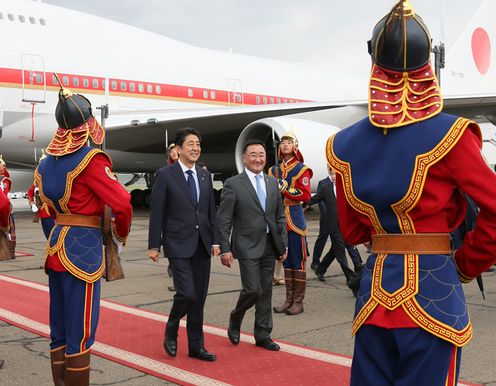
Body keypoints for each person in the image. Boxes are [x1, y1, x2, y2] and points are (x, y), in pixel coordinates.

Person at [326, 1, 496, 385]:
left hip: (373, 298)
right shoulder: (451, 135)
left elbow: (352, 234)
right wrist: (468, 263)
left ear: (373, 57)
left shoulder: (343, 145)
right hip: (435, 292)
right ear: (427, 60)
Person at [35, 83, 132, 386]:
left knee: (59, 328)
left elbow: (47, 209)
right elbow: (123, 204)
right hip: (83, 252)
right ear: (89, 123)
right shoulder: (91, 159)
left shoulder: (46, 163)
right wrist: (118, 236)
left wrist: (58, 233)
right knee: (82, 330)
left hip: (56, 248)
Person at [148, 128, 220, 362]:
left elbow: (210, 212)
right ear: (178, 150)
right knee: (187, 294)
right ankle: (171, 326)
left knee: (199, 298)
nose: (195, 148)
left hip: (202, 244)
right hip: (177, 243)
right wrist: (154, 245)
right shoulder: (165, 175)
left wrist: (216, 241)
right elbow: (157, 212)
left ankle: (196, 347)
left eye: (198, 144)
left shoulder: (204, 176)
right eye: (190, 144)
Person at [217, 140, 288, 351]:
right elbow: (224, 219)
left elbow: (279, 216)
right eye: (253, 155)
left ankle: (263, 335)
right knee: (253, 289)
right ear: (245, 158)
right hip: (246, 245)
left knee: (265, 291)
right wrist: (225, 248)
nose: (258, 159)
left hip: (269, 245)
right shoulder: (233, 184)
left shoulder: (272, 182)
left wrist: (282, 244)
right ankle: (236, 317)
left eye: (261, 155)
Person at [269, 132, 312, 315]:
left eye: (289, 142)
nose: (285, 144)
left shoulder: (302, 169)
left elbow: (306, 196)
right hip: (278, 218)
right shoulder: (273, 170)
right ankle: (288, 299)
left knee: (297, 260)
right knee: (285, 260)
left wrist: (285, 188)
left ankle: (298, 301)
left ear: (295, 146)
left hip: (294, 218)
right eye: (283, 142)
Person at [306, 168, 357, 295]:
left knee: (334, 250)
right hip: (332, 225)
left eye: (336, 174)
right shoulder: (325, 187)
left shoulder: (347, 187)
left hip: (345, 224)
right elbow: (314, 199)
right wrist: (300, 205)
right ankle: (350, 278)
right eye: (332, 174)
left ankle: (321, 269)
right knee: (340, 250)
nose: (334, 176)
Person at [0, 156, 15, 259]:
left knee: (9, 232)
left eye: (4, 165)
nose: (3, 167)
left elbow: (5, 196)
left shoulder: (5, 180)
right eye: (1, 165)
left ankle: (9, 251)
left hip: (5, 207)